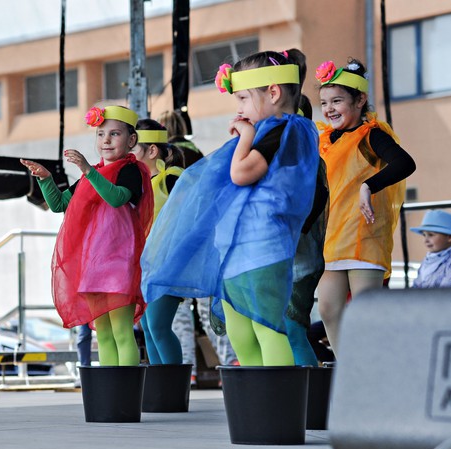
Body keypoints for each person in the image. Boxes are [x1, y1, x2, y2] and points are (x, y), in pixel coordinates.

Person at [142, 49, 319, 366]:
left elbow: (241, 173)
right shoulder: (269, 129)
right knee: (240, 331)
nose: (239, 109)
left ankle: (278, 406)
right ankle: (257, 401)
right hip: (239, 249)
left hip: (263, 247)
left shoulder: (284, 129)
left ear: (273, 93)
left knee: (266, 327)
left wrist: (245, 137)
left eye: (242, 99)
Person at [20, 105, 153, 366]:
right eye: (101, 134)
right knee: (102, 334)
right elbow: (59, 205)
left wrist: (88, 171)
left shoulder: (130, 170)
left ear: (131, 140)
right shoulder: (89, 175)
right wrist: (46, 179)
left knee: (122, 332)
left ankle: (126, 393)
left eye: (114, 134)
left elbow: (116, 198)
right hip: (92, 264)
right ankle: (111, 395)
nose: (106, 140)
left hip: (119, 262)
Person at [315, 58, 416, 356]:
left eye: (337, 100)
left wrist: (368, 185)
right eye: (324, 102)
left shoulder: (370, 134)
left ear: (360, 100)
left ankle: (377, 371)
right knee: (329, 309)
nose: (329, 108)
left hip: (364, 236)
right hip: (333, 238)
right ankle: (350, 370)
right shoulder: (324, 140)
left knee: (365, 314)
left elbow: (405, 163)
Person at [133, 118, 193, 366]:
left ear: (152, 150)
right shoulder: (140, 183)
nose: (128, 151)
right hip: (145, 266)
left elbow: (190, 219)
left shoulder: (173, 178)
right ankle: (162, 389)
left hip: (167, 264)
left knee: (158, 326)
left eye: (133, 146)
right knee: (148, 329)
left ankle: (173, 386)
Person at [284, 96, 329, 366]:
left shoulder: (308, 159)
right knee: (283, 331)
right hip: (285, 259)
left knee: (293, 330)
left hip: (301, 259)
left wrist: (296, 228)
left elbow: (318, 197)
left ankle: (306, 398)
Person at [410, 209, 451, 288]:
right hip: (427, 299)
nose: (426, 240)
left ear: (450, 237)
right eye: (424, 235)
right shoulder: (427, 261)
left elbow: (445, 293)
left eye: (431, 235)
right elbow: (417, 283)